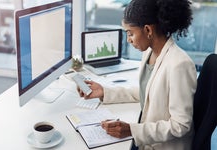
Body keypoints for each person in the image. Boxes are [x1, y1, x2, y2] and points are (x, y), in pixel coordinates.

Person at [77, 0, 197, 149]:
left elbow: (181, 125)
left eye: (130, 33)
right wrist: (104, 91)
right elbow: (146, 92)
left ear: (148, 30)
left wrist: (132, 130)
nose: (128, 40)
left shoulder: (179, 64)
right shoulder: (150, 52)